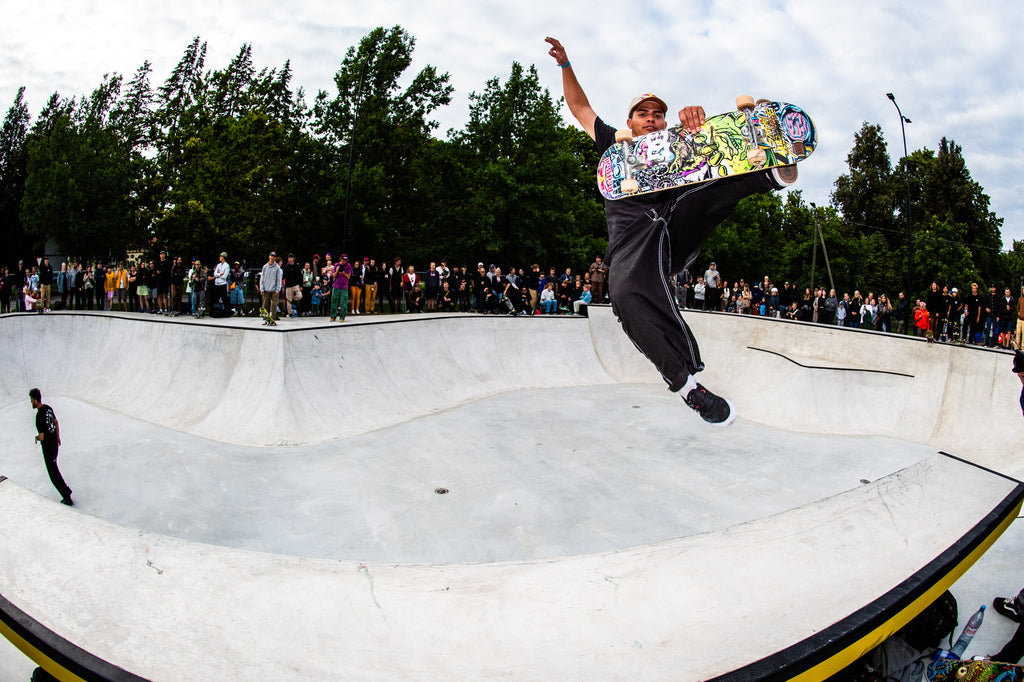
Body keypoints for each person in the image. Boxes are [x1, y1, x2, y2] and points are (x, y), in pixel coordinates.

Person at [546, 38, 798, 424]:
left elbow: (709, 153)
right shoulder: (613, 146)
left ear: (664, 123)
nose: (651, 118)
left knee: (701, 191)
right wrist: (565, 65)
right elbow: (579, 108)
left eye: (658, 115)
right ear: (630, 122)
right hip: (634, 247)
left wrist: (696, 125)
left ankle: (768, 169)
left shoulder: (679, 146)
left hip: (674, 230)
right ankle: (688, 388)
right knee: (624, 295)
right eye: (642, 113)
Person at [29, 388, 72, 506]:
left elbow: (42, 436)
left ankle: (67, 496)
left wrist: (36, 438)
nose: (31, 402)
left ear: (35, 399)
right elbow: (56, 422)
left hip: (48, 448)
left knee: (53, 474)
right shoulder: (48, 408)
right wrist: (57, 437)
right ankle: (66, 493)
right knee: (55, 470)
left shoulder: (39, 417)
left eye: (31, 400)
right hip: (54, 445)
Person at [259, 252, 283, 320]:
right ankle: (265, 318)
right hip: (266, 288)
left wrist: (278, 289)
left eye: (273, 257)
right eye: (271, 256)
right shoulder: (265, 267)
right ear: (269, 257)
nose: (272, 258)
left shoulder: (277, 268)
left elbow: (279, 279)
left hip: (274, 289)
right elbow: (262, 278)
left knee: (274, 304)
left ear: (275, 258)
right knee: (265, 304)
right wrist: (262, 288)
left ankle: (273, 317)